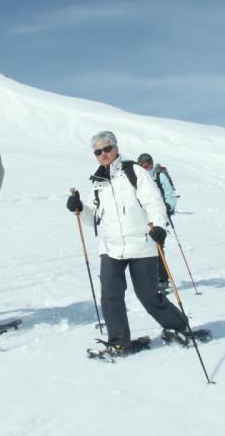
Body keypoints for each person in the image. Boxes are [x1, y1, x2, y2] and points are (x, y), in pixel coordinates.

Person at [66, 131, 189, 352]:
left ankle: (178, 327)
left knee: (148, 296)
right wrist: (80, 208)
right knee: (110, 296)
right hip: (111, 246)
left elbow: (153, 201)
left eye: (106, 149)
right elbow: (94, 217)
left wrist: (159, 225)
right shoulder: (97, 182)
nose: (103, 154)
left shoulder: (134, 172)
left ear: (116, 149)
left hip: (141, 243)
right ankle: (118, 341)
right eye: (97, 152)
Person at [137, 153, 177, 292]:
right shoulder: (138, 178)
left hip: (158, 217)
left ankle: (162, 279)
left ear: (152, 164)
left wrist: (168, 206)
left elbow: (170, 194)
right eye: (142, 165)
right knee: (145, 248)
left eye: (148, 165)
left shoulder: (159, 176)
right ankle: (151, 278)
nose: (146, 167)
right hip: (143, 217)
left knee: (157, 246)